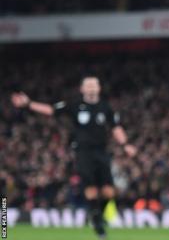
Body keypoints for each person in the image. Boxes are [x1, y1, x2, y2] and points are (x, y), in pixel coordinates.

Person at [11, 76, 136, 239]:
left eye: (94, 85)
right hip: (83, 151)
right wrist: (28, 104)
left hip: (102, 151)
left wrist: (126, 144)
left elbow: (115, 127)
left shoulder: (105, 107)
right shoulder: (75, 104)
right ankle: (97, 222)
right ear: (82, 89)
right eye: (88, 85)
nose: (91, 88)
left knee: (108, 191)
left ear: (99, 88)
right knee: (90, 187)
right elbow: (51, 110)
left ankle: (98, 215)